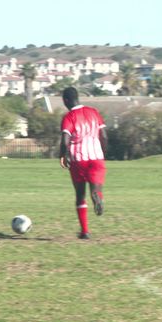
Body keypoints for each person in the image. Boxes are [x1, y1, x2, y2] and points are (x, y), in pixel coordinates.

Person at [58, 87, 107, 239]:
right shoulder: (94, 112)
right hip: (96, 157)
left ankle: (85, 231)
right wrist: (102, 153)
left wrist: (62, 155)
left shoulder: (69, 117)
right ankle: (97, 196)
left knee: (80, 195)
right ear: (77, 97)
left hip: (78, 159)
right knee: (96, 188)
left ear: (65, 100)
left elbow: (65, 140)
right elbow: (104, 136)